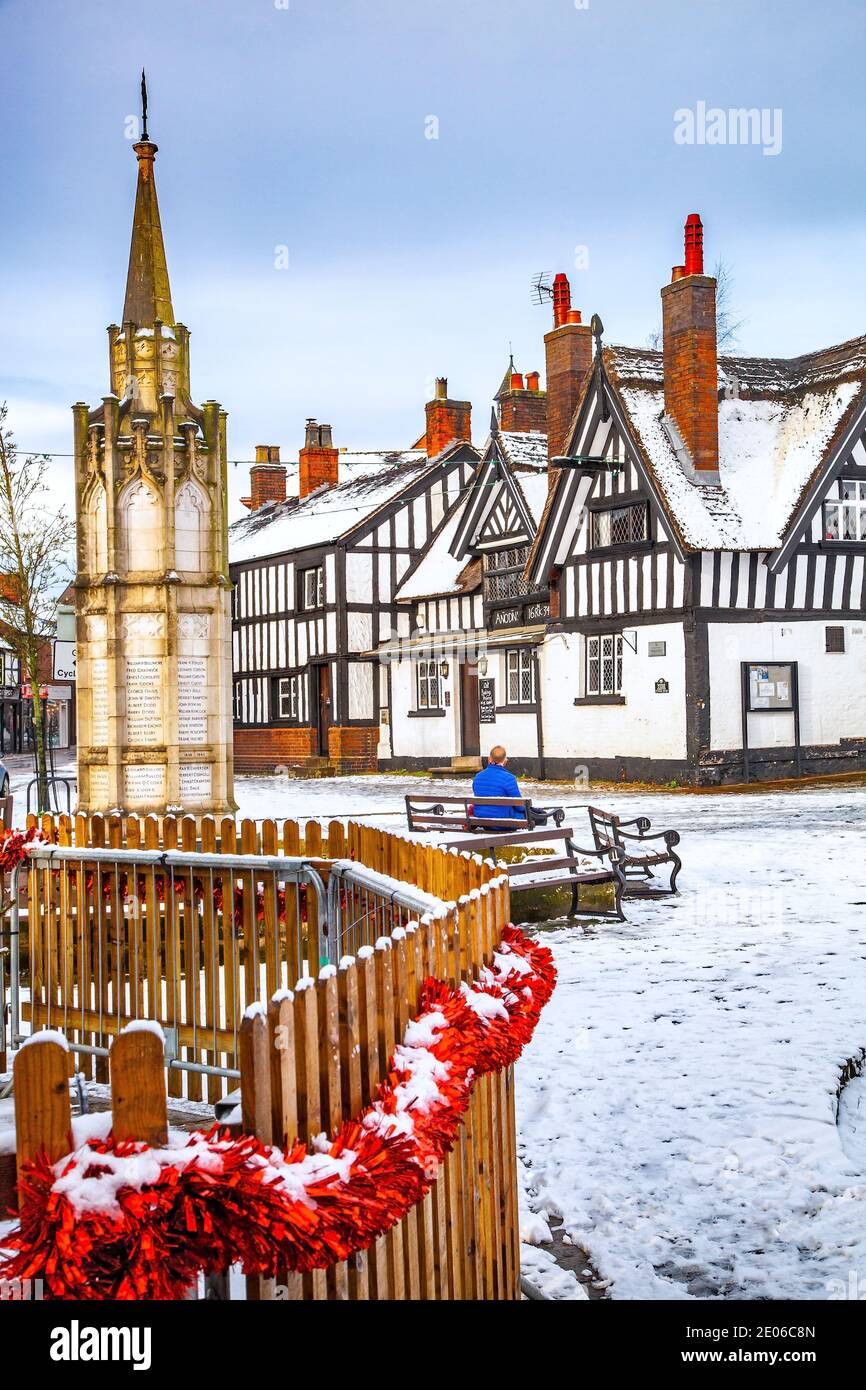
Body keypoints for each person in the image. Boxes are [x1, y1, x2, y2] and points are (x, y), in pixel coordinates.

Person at [471, 746, 528, 822]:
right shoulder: (509, 778)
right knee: (528, 816)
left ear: (489, 758)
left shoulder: (478, 776)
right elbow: (519, 806)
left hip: (481, 818)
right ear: (505, 760)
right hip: (503, 820)